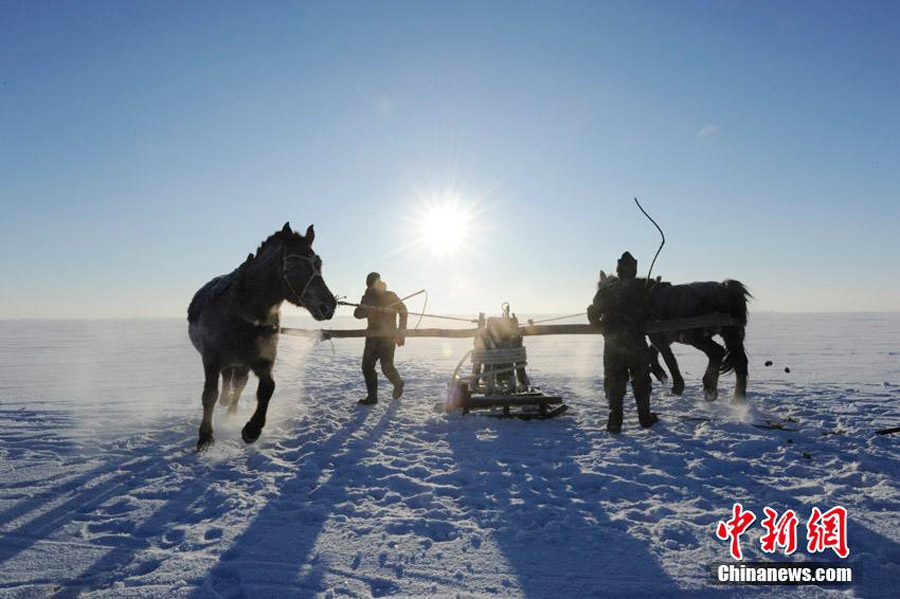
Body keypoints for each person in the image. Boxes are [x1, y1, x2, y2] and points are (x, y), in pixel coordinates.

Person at [588, 252, 659, 433]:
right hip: (636, 344)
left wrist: (597, 318)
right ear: (634, 270)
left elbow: (593, 314)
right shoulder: (642, 289)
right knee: (641, 380)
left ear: (618, 271)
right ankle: (644, 417)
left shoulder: (606, 290)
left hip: (612, 346)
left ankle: (614, 421)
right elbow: (653, 312)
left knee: (614, 382)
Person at [353, 272, 407, 405]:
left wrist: (401, 332)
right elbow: (357, 314)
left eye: (372, 284)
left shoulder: (390, 296)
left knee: (386, 367)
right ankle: (372, 397)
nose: (371, 288)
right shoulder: (367, 297)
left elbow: (403, 311)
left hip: (388, 338)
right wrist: (369, 310)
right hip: (372, 339)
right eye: (369, 286)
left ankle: (398, 383)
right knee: (367, 367)